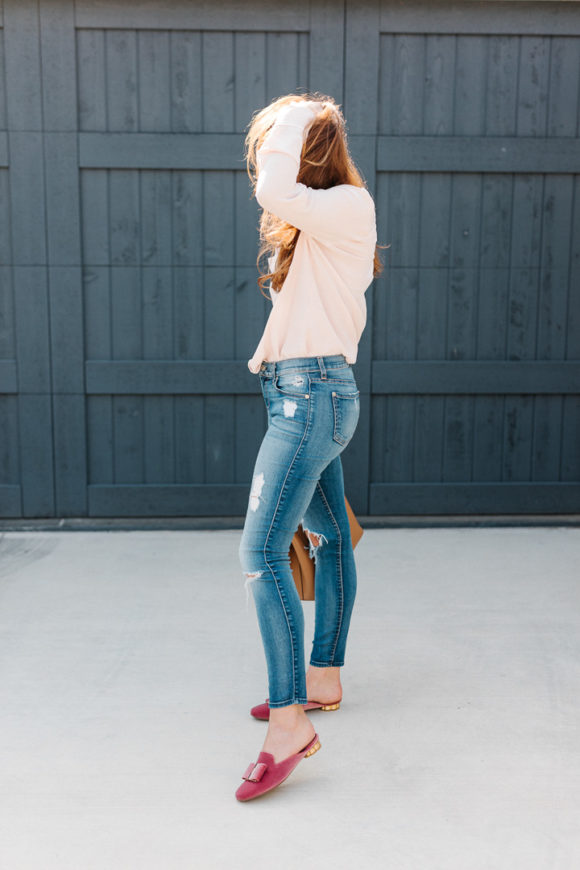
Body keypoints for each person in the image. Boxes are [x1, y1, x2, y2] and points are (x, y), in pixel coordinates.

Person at [236, 92, 383, 801]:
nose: (268, 153)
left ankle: (289, 724)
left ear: (305, 146)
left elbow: (271, 184)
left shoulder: (349, 206)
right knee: (328, 537)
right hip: (303, 395)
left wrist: (299, 109)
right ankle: (321, 678)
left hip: (312, 398)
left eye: (280, 140)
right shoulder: (318, 222)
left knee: (261, 555)